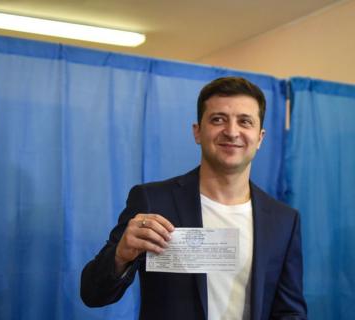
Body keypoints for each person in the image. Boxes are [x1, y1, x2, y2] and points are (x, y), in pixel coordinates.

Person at [80, 77, 307, 320]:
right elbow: (93, 294)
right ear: (197, 132)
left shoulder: (284, 220)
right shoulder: (152, 201)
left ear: (260, 137)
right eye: (218, 119)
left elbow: (289, 312)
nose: (231, 132)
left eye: (245, 121)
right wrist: (121, 255)